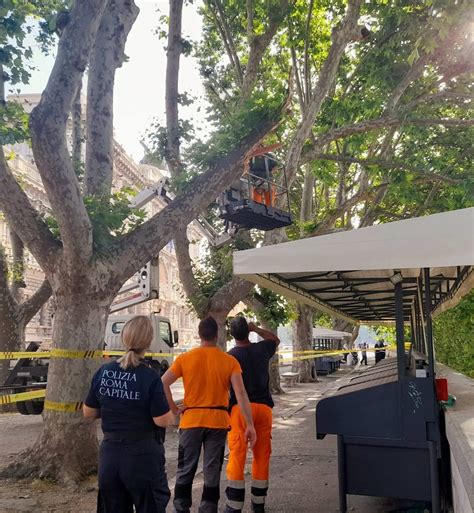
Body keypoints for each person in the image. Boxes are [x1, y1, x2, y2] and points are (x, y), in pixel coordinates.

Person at [161, 316, 256, 513]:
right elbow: (240, 393)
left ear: (199, 334)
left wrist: (174, 409)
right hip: (218, 422)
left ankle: (181, 507)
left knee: (186, 467)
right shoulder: (229, 361)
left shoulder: (185, 358)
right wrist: (249, 424)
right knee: (212, 469)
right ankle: (208, 507)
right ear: (217, 335)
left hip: (191, 421)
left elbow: (163, 382)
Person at [83, 315, 174, 513]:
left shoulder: (104, 371)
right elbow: (162, 420)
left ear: (124, 338)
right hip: (142, 456)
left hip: (110, 456)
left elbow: (88, 412)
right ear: (149, 341)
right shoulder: (150, 376)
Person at [225, 317, 280, 513]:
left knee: (237, 455)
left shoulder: (230, 356)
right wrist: (256, 328)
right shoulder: (262, 349)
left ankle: (234, 505)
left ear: (232, 334)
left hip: (240, 410)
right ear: (248, 331)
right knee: (262, 456)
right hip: (264, 409)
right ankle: (258, 504)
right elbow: (275, 339)